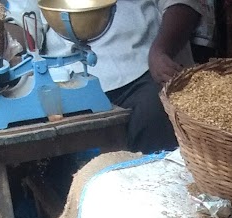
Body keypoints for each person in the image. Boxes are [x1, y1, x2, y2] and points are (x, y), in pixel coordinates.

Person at [18, 0, 210, 153]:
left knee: (158, 109)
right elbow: (22, 19)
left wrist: (161, 50)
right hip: (65, 71)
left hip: (143, 63)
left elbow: (185, 5)